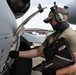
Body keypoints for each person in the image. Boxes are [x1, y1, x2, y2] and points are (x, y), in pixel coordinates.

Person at [9, 6, 76, 75]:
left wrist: (55, 73)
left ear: (59, 18)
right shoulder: (51, 37)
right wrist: (17, 54)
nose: (50, 23)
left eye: (51, 20)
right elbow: (38, 51)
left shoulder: (72, 36)